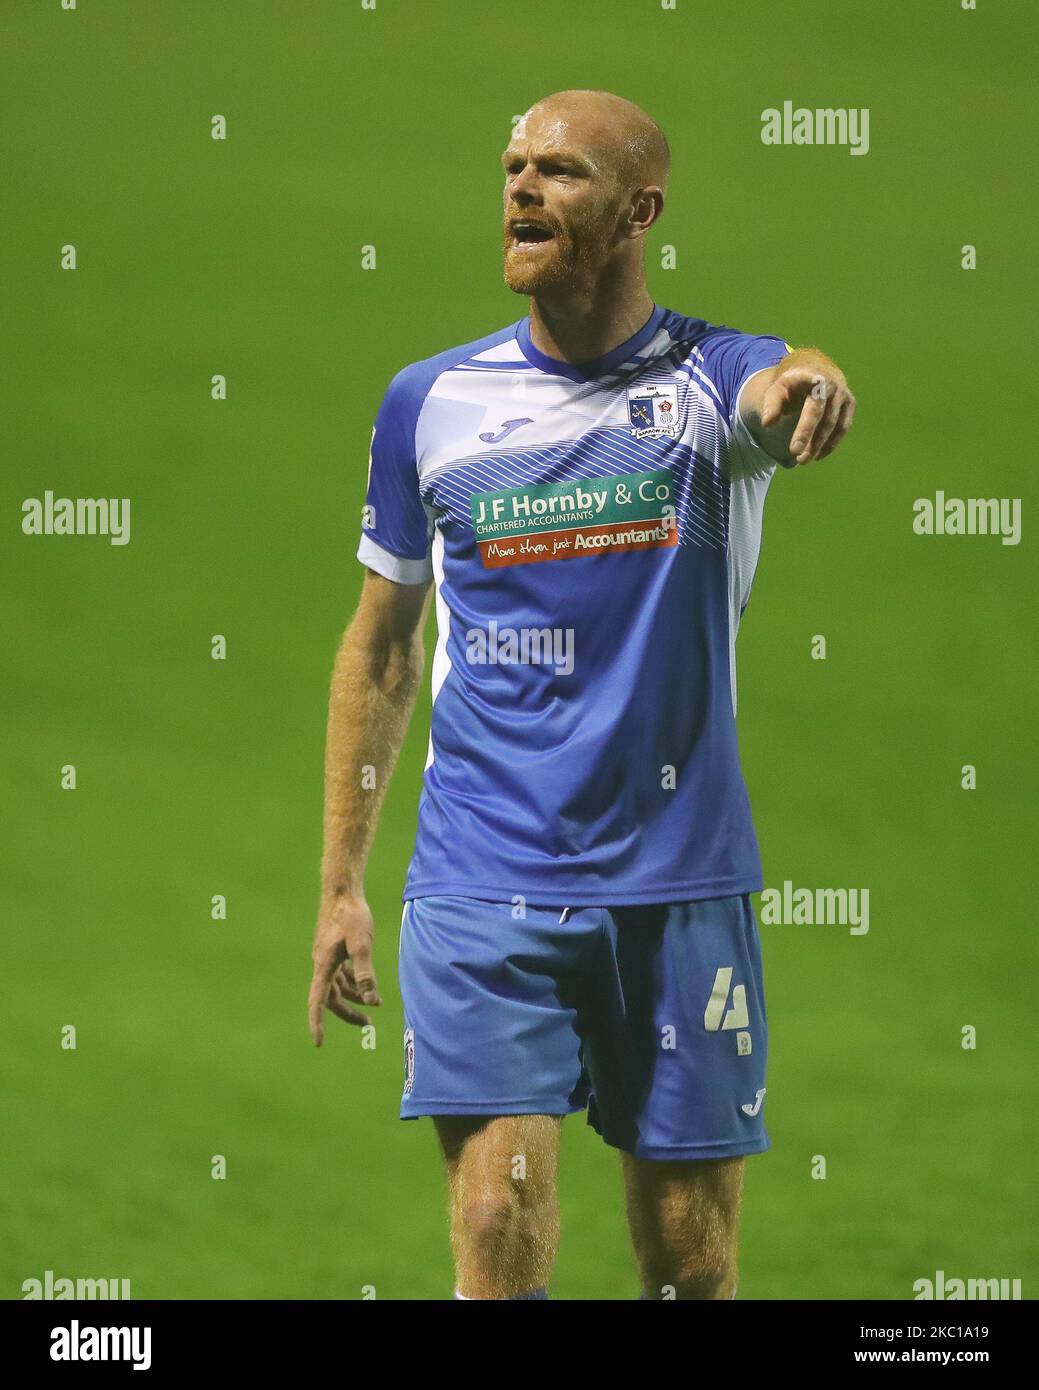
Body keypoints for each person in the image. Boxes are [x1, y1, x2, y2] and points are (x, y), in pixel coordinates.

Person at [308, 89, 856, 1300]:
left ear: (638, 210)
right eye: (511, 166)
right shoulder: (430, 404)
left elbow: (787, 378)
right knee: (499, 1250)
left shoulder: (711, 385)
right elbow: (382, 648)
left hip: (678, 883)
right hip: (481, 878)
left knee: (688, 1268)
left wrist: (814, 382)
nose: (519, 188)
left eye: (558, 171)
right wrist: (342, 882)